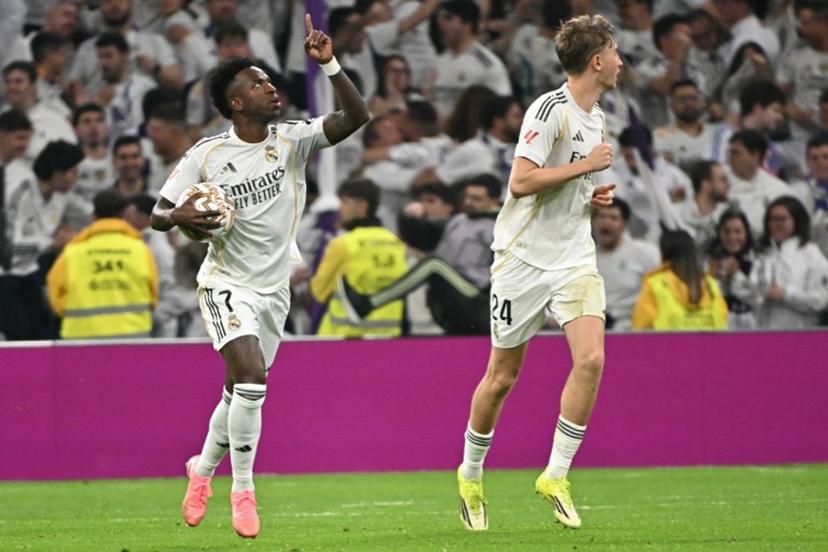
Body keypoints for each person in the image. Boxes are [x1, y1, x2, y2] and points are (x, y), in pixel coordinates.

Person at [149, 14, 369, 539]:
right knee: (251, 378)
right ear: (236, 103)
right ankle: (243, 490)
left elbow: (356, 116)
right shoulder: (206, 156)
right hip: (225, 282)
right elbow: (159, 212)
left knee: (237, 393)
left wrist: (331, 65)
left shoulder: (293, 139)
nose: (271, 87)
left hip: (273, 290)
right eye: (257, 82)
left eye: (270, 79)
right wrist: (182, 216)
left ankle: (200, 470)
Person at [455, 14, 620, 531]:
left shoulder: (597, 117)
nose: (620, 61)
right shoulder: (549, 109)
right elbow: (522, 182)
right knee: (501, 378)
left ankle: (555, 473)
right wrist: (584, 168)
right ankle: (471, 473)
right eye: (614, 52)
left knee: (591, 359)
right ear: (596, 60)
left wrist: (588, 194)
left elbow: (563, 182)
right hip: (522, 260)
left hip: (573, 256)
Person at [340, 175, 502, 335]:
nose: (468, 202)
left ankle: (367, 304)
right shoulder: (459, 220)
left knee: (433, 265)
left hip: (479, 298)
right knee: (421, 266)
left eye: (476, 198)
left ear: (494, 201)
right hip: (452, 296)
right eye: (466, 197)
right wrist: (409, 217)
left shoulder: (501, 226)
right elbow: (424, 234)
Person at [46, 190, 158, 339]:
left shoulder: (72, 253)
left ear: (94, 216)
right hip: (132, 337)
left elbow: (54, 295)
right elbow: (153, 296)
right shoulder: (141, 251)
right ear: (124, 216)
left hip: (80, 338)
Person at [310, 178, 408, 337]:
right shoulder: (397, 244)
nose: (340, 209)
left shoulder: (343, 244)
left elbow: (319, 292)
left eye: (345, 202)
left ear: (362, 205)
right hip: (387, 337)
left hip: (342, 338)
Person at [748, 196, 828, 329]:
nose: (776, 224)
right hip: (762, 334)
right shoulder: (761, 254)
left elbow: (821, 300)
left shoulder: (811, 254)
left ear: (796, 221)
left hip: (800, 335)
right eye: (772, 220)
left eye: (782, 219)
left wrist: (785, 294)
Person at [631, 229, 728, 330]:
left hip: (665, 346)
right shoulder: (711, 285)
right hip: (712, 346)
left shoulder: (654, 285)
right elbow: (723, 318)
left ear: (663, 255)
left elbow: (640, 330)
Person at [595, 197, 660, 330]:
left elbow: (660, 291)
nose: (606, 222)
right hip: (593, 331)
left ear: (625, 224)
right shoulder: (583, 258)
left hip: (633, 330)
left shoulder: (645, 253)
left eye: (613, 218)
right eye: (602, 216)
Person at [708, 209, 757, 329]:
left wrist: (736, 274)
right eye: (726, 232)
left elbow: (757, 297)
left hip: (752, 324)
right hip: (718, 323)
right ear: (719, 234)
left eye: (738, 232)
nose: (732, 237)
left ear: (746, 233)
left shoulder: (758, 260)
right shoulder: (710, 260)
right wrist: (719, 278)